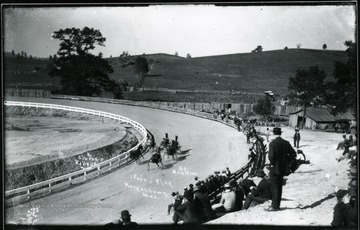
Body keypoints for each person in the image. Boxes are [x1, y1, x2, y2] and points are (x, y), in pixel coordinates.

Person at [267, 127, 297, 211]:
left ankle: (275, 206)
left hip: (274, 169)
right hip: (283, 169)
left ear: (273, 134)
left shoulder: (272, 144)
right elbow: (293, 154)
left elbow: (271, 157)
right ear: (280, 133)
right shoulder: (286, 143)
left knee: (274, 187)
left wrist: (274, 163)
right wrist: (286, 160)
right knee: (279, 187)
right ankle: (276, 205)